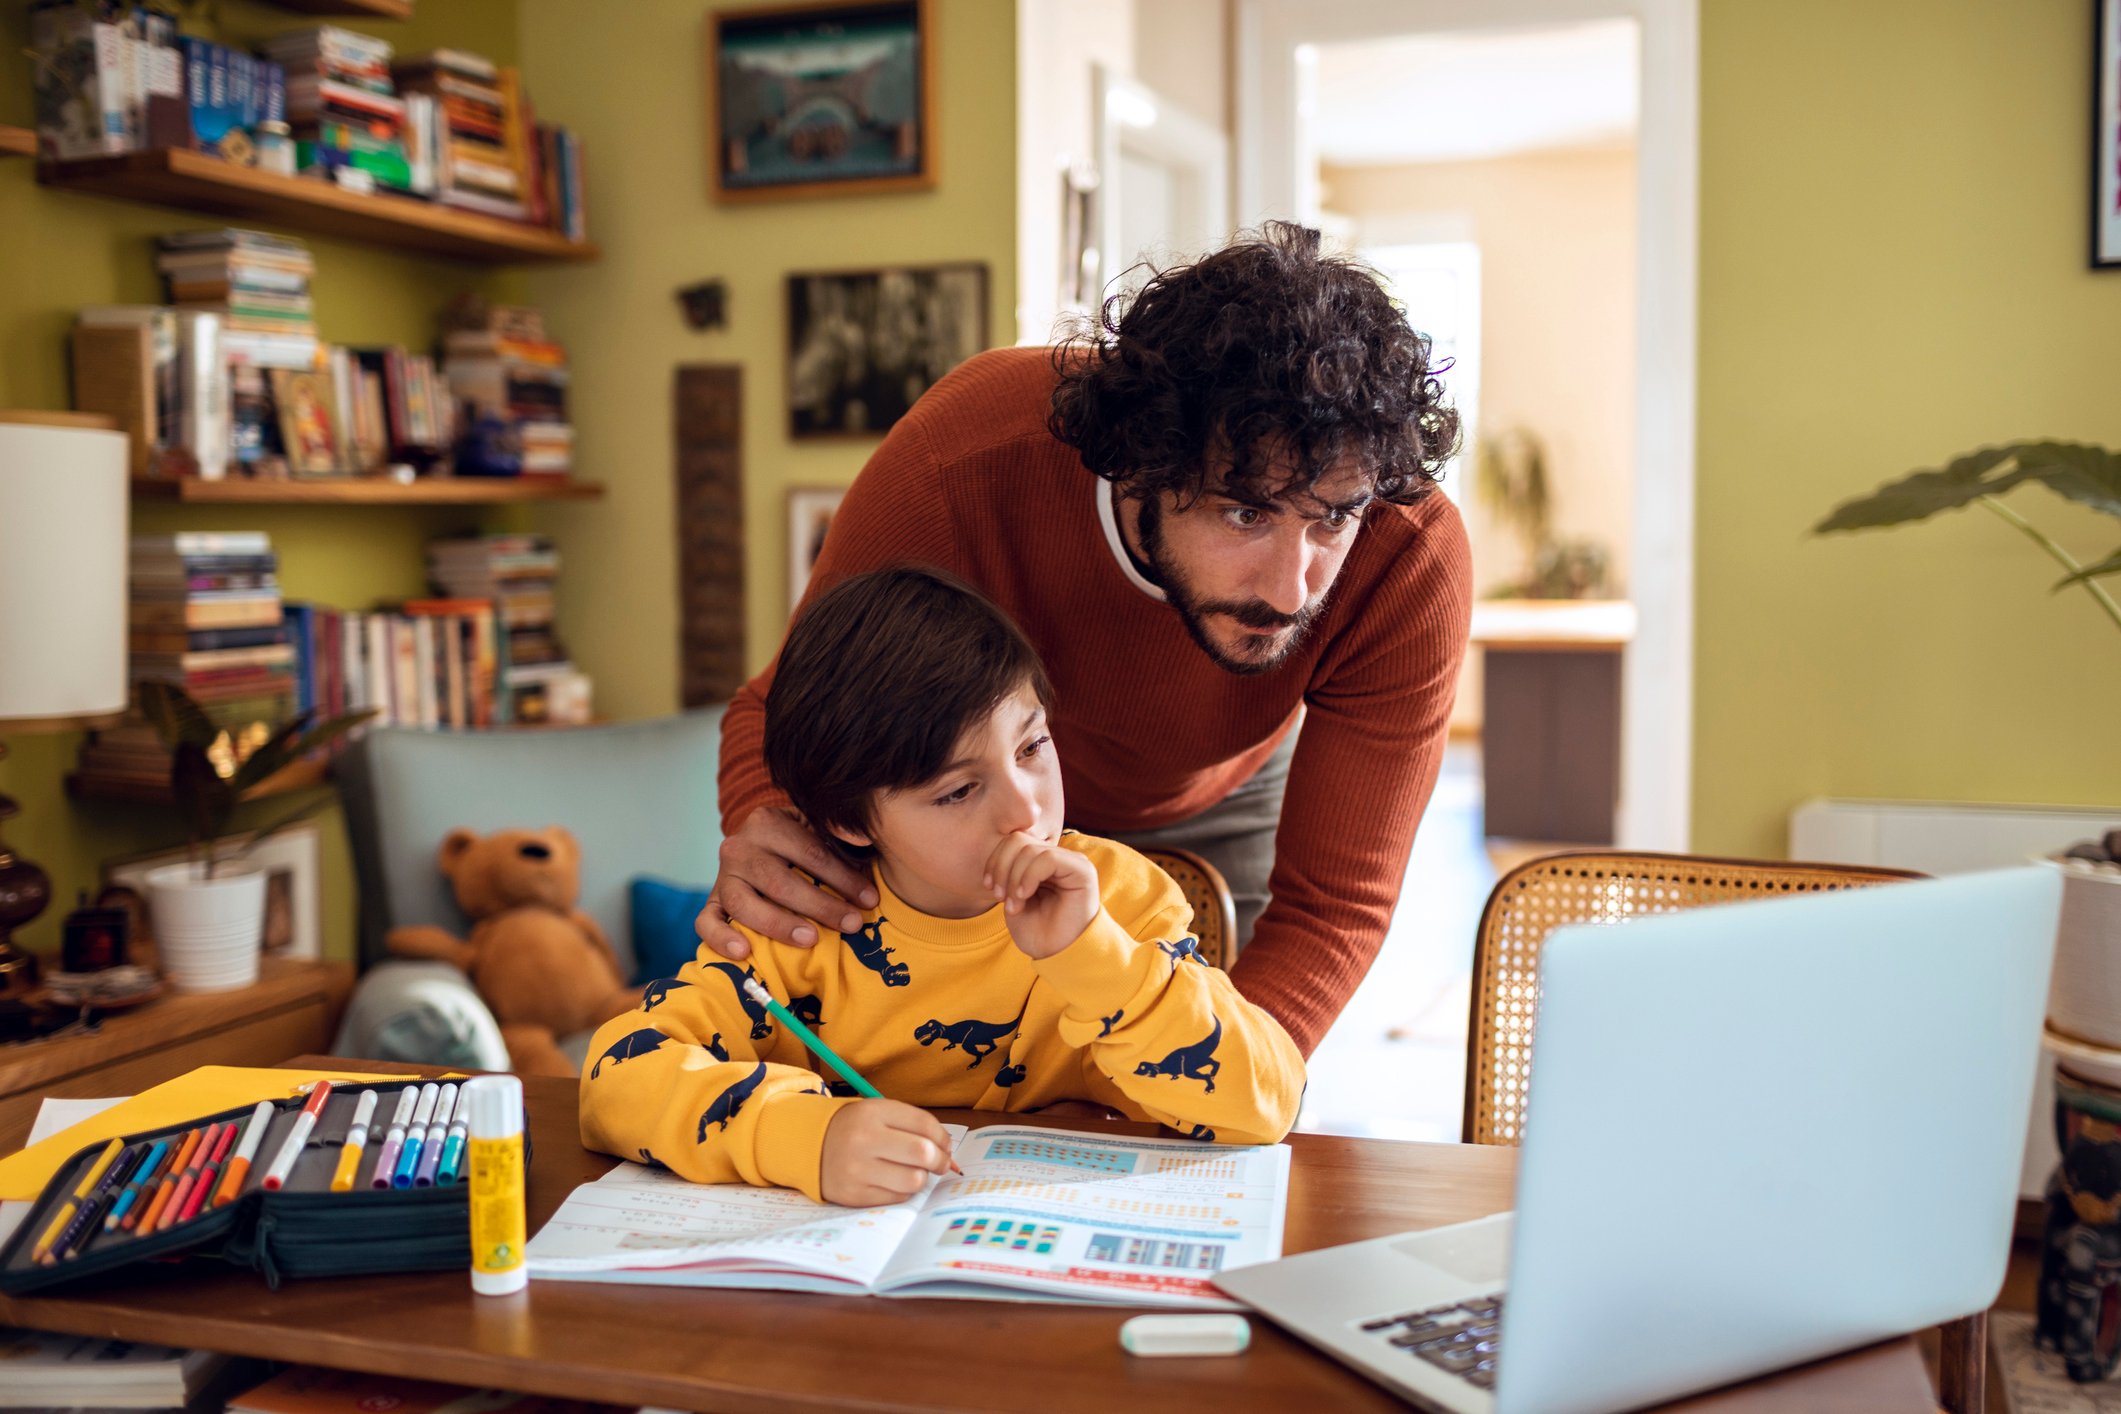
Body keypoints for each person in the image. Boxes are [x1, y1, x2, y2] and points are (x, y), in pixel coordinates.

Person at [703, 222, 1472, 1059]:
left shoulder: (1408, 556)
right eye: (1244, 513)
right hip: (970, 805)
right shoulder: (960, 461)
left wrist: (1220, 1087)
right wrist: (766, 819)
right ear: (1143, 463)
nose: (1292, 591)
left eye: (1332, 520)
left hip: (1226, 798)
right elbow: (779, 709)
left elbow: (1332, 907)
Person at [580, 568, 1304, 1206]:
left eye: (1032, 746)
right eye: (958, 791)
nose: (1025, 810)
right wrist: (802, 1137)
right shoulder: (796, 924)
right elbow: (616, 1077)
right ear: (850, 820)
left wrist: (1098, 961)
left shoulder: (1122, 899)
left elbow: (1266, 1106)